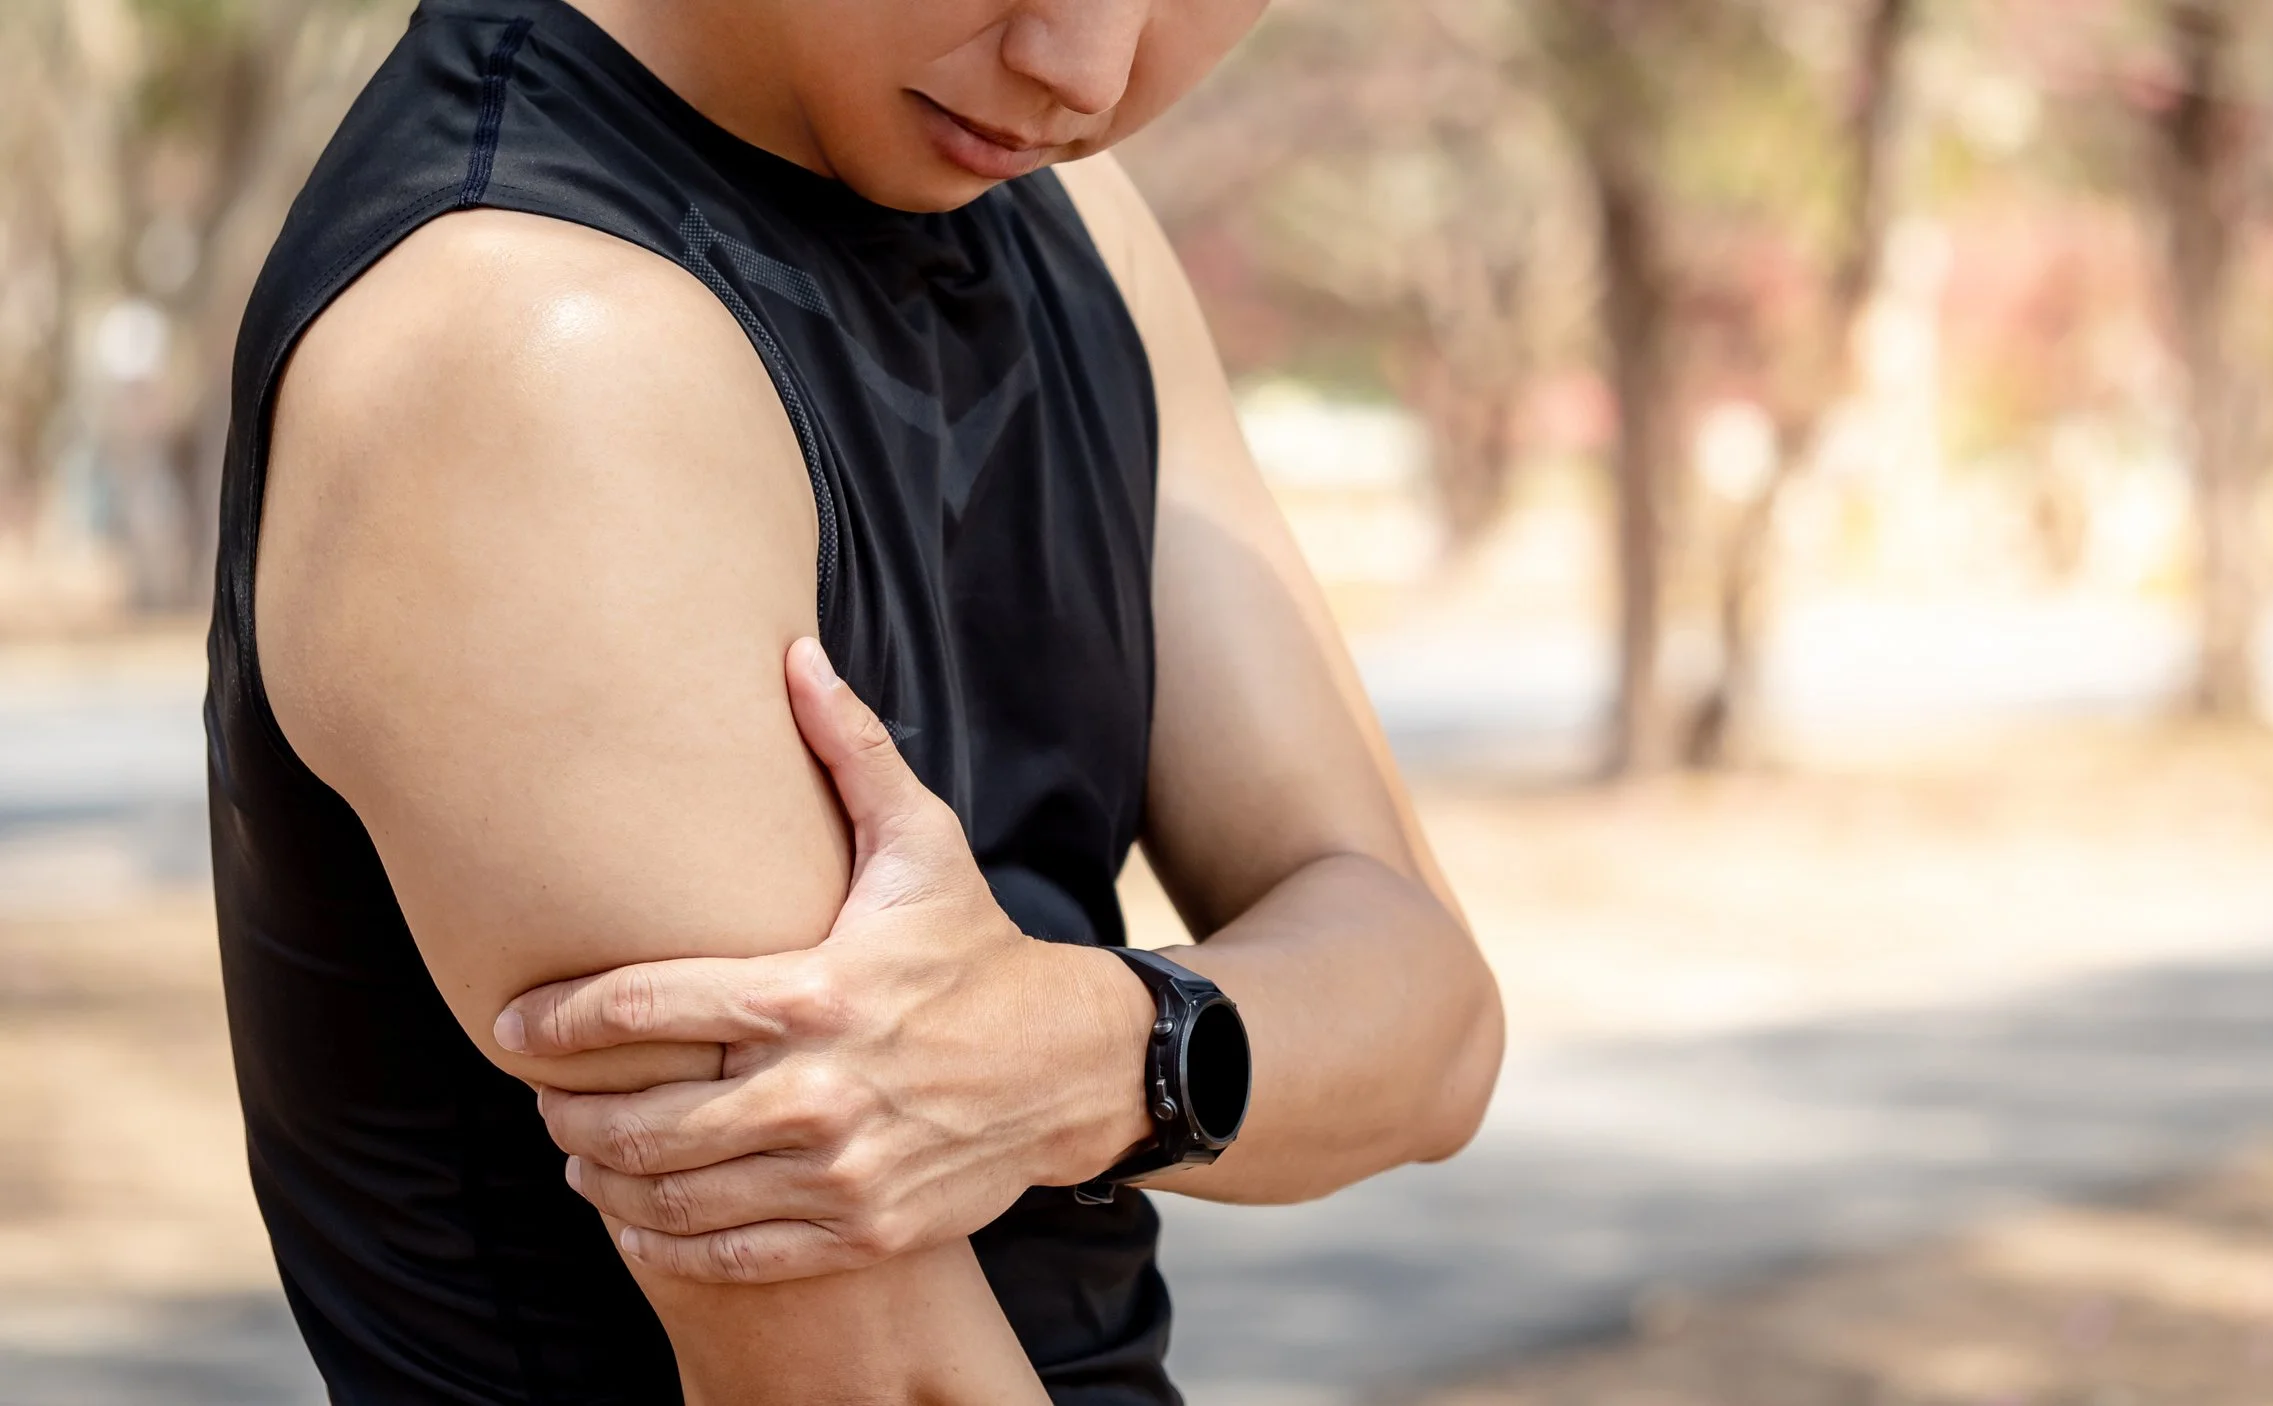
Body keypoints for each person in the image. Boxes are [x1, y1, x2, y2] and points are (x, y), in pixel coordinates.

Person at [205, 0, 1506, 1400]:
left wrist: (1093, 1052)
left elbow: (1436, 1023)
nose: (1086, 70)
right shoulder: (534, 353)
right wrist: (1213, 1037)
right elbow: (878, 1374)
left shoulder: (1079, 222)